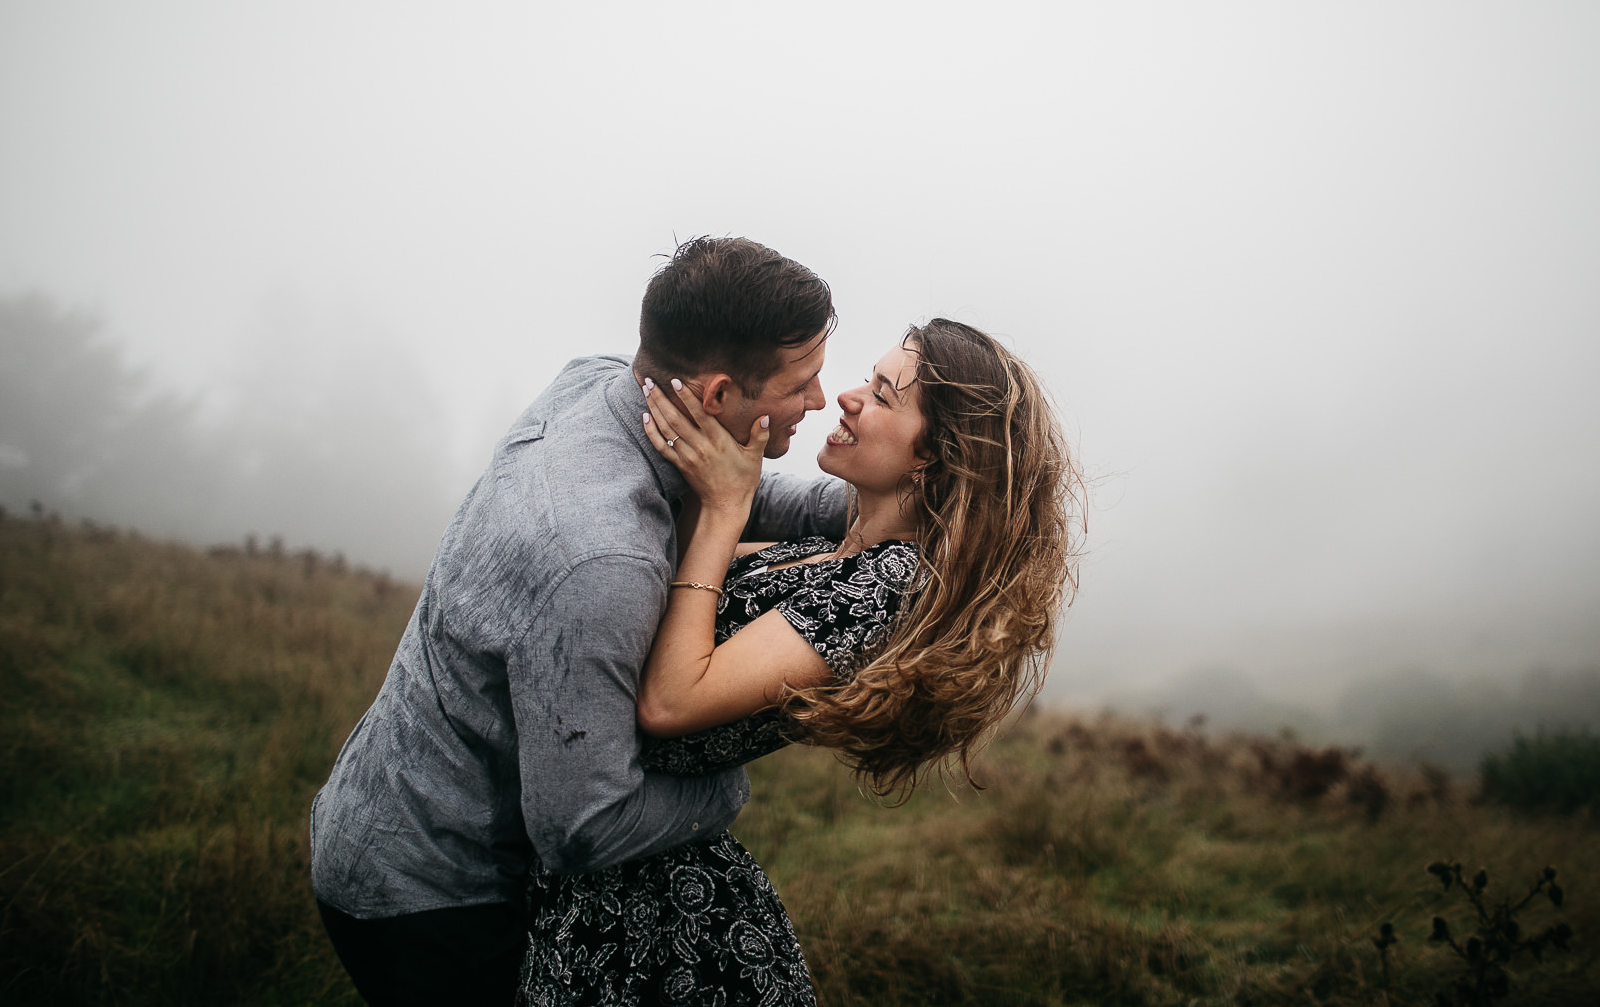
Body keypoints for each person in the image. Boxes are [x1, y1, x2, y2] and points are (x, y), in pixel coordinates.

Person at [310, 237, 851, 1006]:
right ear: (718, 397)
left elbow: (728, 484)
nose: (821, 401)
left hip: (394, 824)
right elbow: (584, 827)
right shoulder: (600, 559)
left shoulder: (604, 386)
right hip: (428, 895)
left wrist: (874, 509)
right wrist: (725, 790)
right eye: (801, 383)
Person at [516, 319, 1080, 1005]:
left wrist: (727, 508)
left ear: (933, 455)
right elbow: (679, 579)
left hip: (668, 935)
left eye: (880, 395)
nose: (846, 398)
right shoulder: (839, 552)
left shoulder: (888, 588)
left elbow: (669, 700)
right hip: (624, 877)